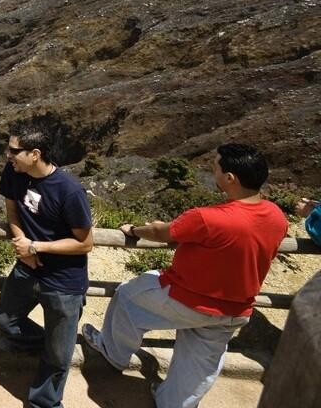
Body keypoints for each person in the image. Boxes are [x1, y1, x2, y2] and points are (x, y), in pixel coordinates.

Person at [82, 144, 289, 408]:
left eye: (215, 167)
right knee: (198, 367)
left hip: (187, 299)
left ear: (230, 178)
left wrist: (133, 229)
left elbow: (161, 232)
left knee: (127, 297)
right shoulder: (277, 216)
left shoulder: (208, 218)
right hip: (235, 310)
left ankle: (114, 353)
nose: (211, 170)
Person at [0, 122, 93, 408]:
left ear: (35, 153)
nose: (8, 155)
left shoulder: (69, 191)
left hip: (63, 281)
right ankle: (48, 345)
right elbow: (12, 209)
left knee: (59, 357)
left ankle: (44, 402)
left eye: (14, 150)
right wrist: (22, 240)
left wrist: (36, 247)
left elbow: (85, 243)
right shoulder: (15, 172)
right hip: (28, 268)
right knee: (4, 318)